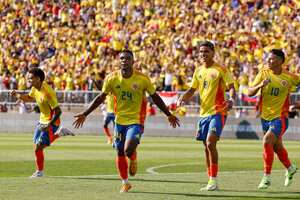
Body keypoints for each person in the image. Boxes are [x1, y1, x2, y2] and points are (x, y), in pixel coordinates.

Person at [73, 49, 180, 193]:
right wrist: (85, 114)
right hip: (119, 121)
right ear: (119, 61)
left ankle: (133, 158)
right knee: (119, 151)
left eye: (128, 58)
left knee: (128, 149)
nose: (124, 60)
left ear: (133, 61)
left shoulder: (142, 79)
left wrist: (168, 114)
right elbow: (100, 98)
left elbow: (155, 97)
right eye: (122, 58)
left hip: (136, 120)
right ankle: (125, 183)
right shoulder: (112, 78)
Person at [177, 41, 236, 191]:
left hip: (218, 111)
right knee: (206, 147)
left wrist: (231, 99)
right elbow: (191, 90)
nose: (203, 54)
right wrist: (182, 98)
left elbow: (231, 88)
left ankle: (213, 180)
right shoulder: (198, 71)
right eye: (201, 52)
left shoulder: (221, 69)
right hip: (203, 114)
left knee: (210, 143)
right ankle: (211, 180)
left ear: (213, 53)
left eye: (206, 51)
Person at [10, 68, 75, 178]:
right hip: (42, 120)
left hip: (52, 122)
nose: (28, 80)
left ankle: (39, 172)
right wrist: (17, 95)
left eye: (30, 78)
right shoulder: (35, 88)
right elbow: (29, 98)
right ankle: (59, 134)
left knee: (38, 147)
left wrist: (49, 124)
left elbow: (58, 111)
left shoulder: (48, 93)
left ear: (38, 79)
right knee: (37, 146)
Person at [248, 49, 298, 189]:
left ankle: (266, 177)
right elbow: (249, 92)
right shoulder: (263, 73)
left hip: (281, 117)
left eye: (273, 59)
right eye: (268, 59)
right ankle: (290, 168)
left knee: (267, 141)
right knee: (277, 147)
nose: (269, 61)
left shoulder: (290, 77)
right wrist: (260, 85)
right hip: (265, 117)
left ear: (281, 61)